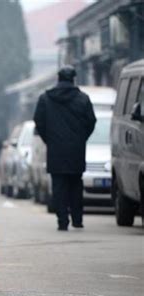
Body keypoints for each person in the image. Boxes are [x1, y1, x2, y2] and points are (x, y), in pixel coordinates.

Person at [33, 65, 96, 231]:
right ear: (73, 79)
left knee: (59, 187)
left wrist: (50, 139)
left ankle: (62, 221)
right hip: (76, 150)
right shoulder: (83, 99)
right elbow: (91, 122)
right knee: (76, 184)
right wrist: (81, 138)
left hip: (56, 150)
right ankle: (77, 219)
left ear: (58, 78)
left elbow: (39, 121)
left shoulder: (46, 98)